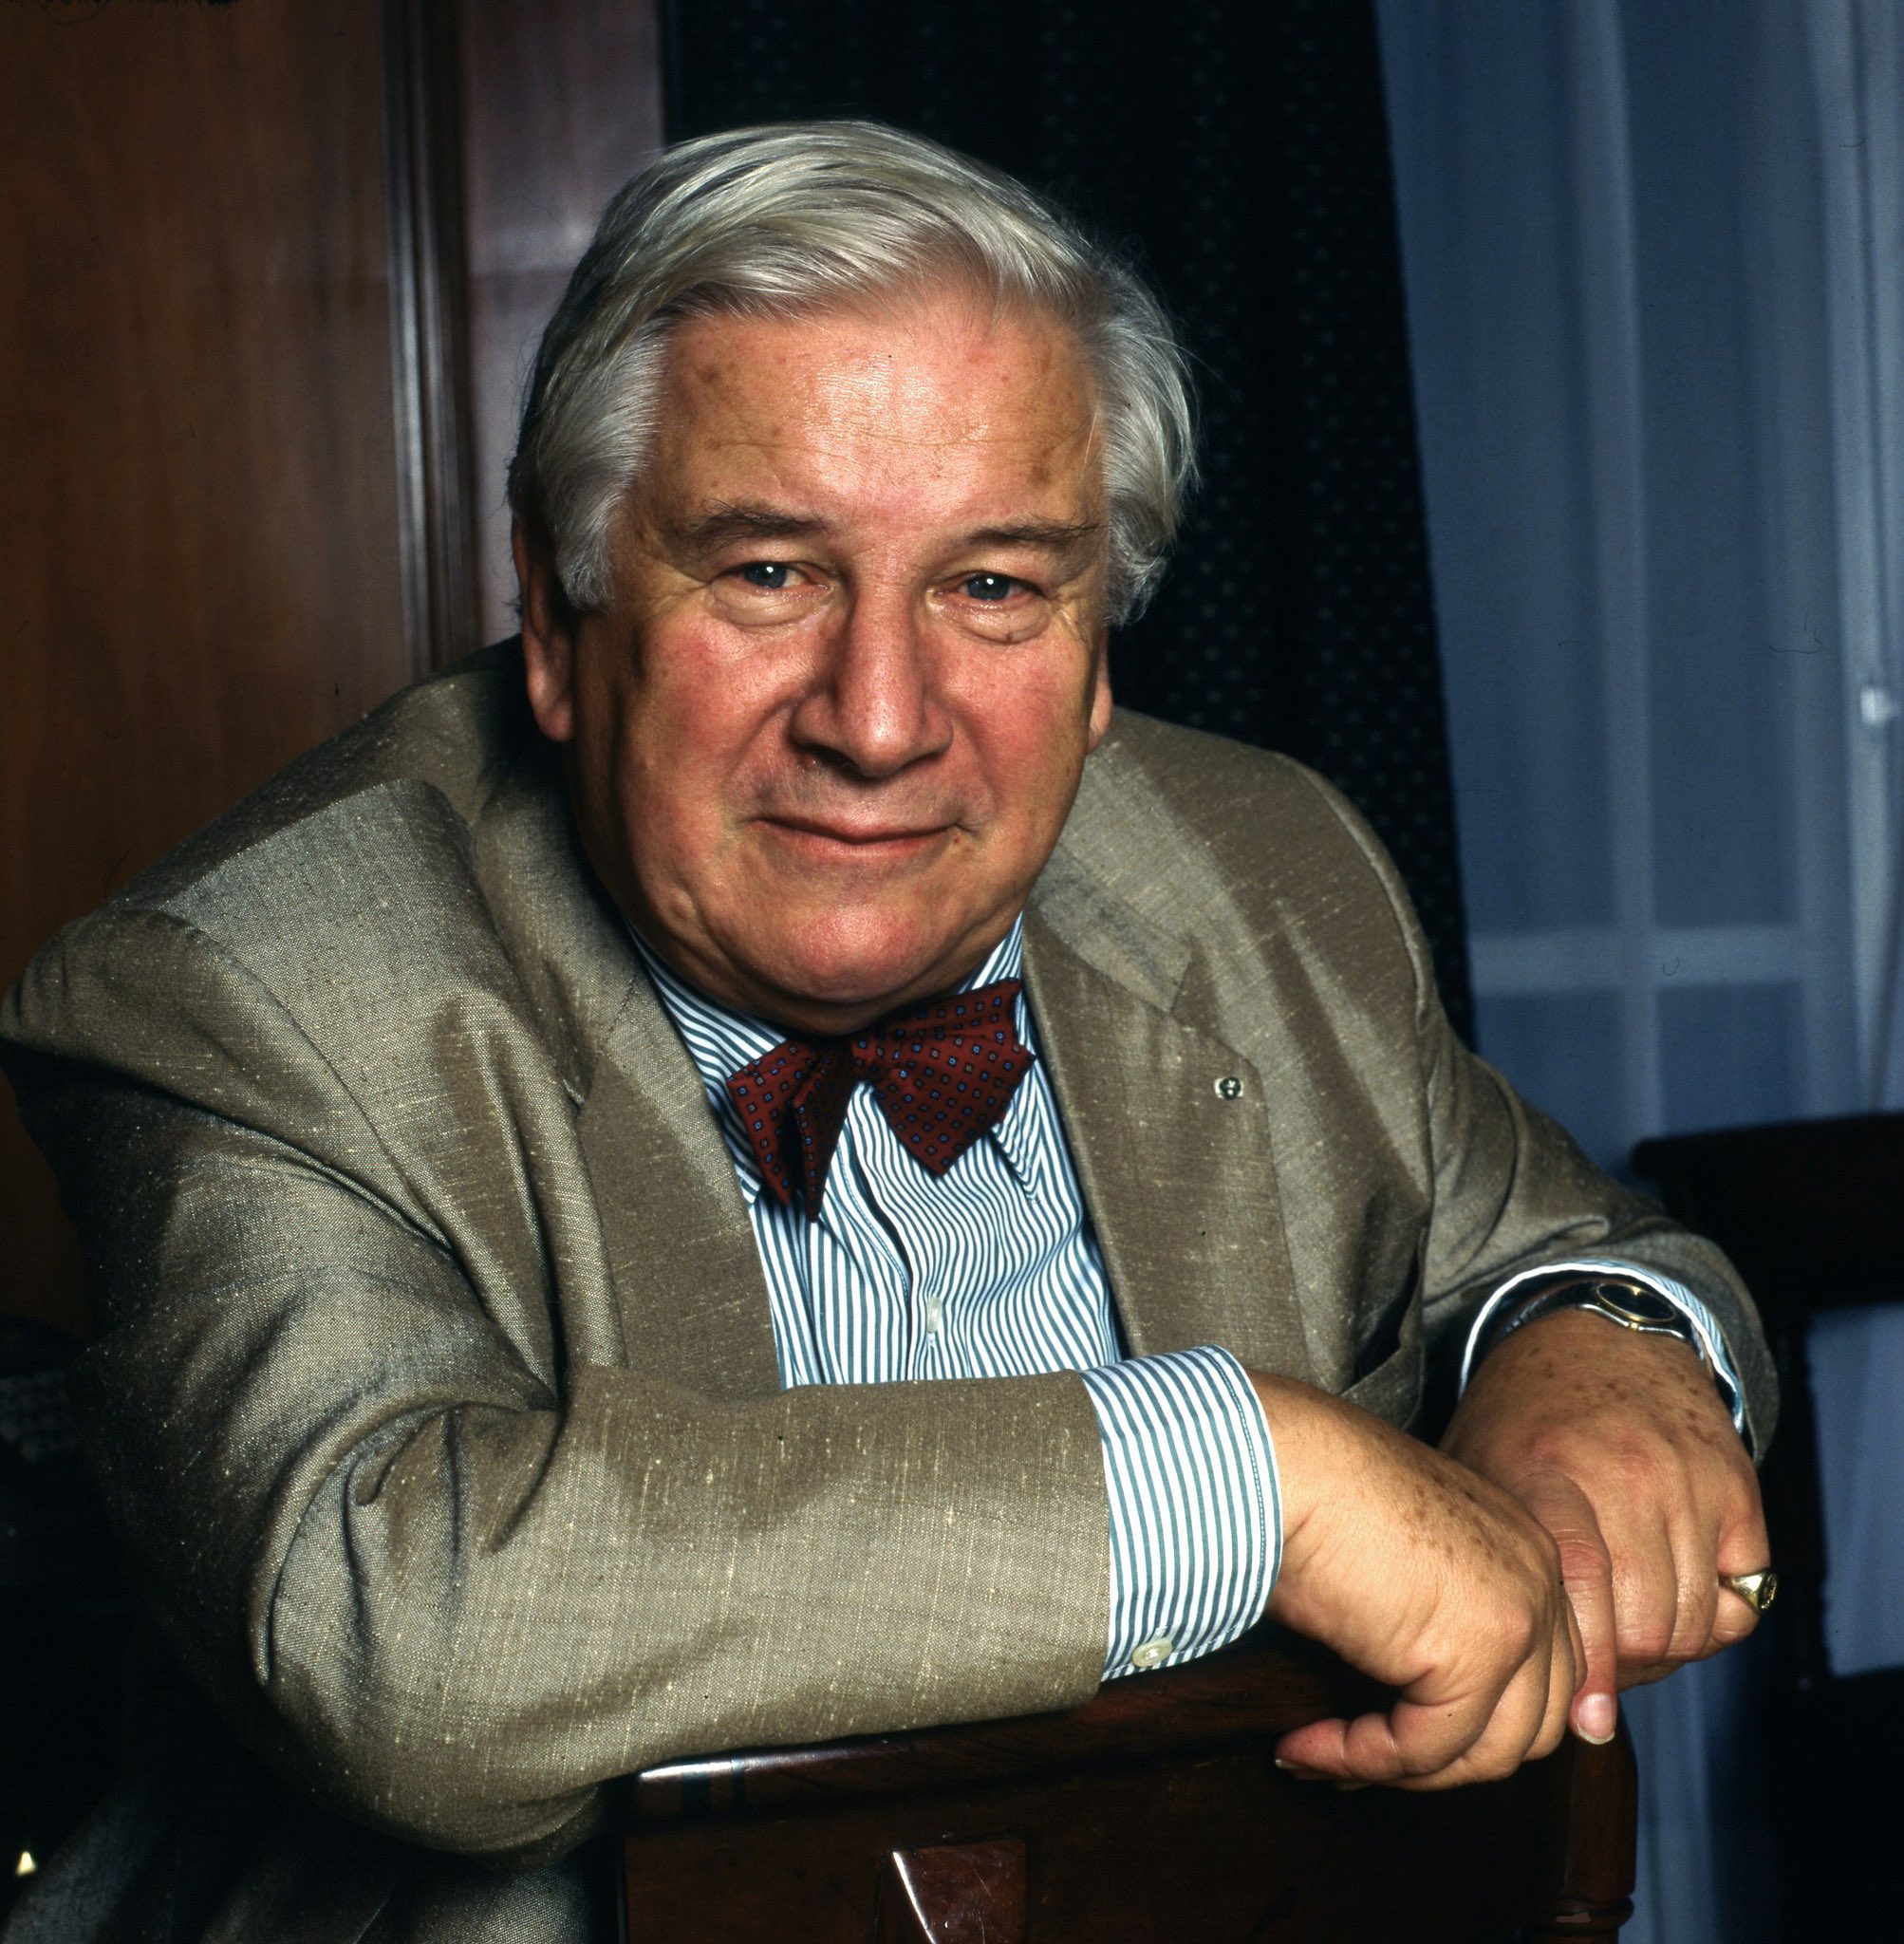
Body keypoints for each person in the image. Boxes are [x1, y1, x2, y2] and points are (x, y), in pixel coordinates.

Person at [0, 122, 1774, 1943]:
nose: (876, 718)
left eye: (991, 585)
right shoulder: (248, 989)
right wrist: (1254, 1480)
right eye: (769, 572)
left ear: (1096, 652)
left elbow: (1561, 1238)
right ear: (555, 610)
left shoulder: (1259, 869)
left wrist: (1600, 1338)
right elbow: (399, 1631)